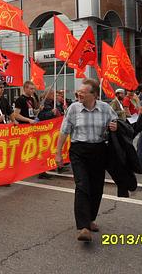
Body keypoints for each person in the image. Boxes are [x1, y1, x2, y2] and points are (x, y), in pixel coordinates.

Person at [56, 78, 118, 242]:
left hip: (99, 150)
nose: (79, 94)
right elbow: (64, 132)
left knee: (97, 187)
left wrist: (115, 126)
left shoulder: (105, 108)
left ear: (94, 95)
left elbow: (119, 121)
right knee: (82, 185)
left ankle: (90, 219)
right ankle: (83, 227)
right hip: (79, 152)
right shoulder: (73, 108)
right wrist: (58, 154)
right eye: (78, 92)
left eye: (83, 92)